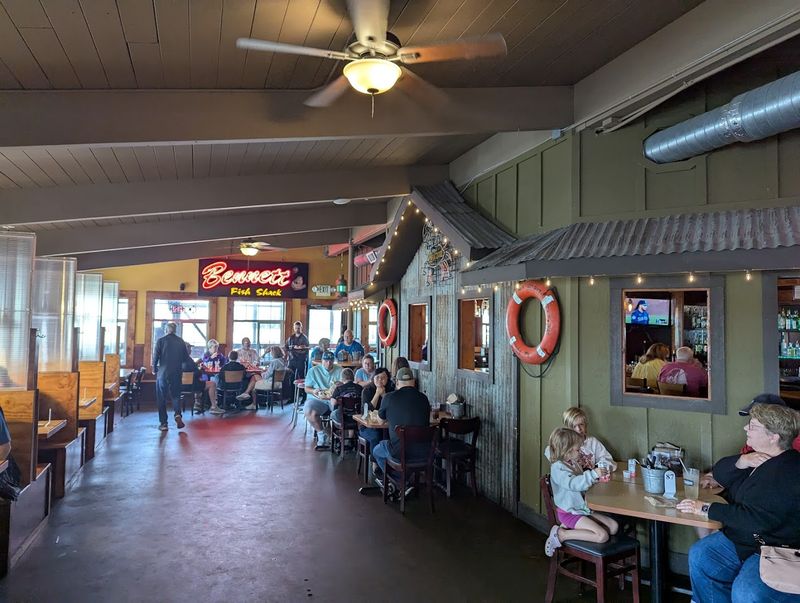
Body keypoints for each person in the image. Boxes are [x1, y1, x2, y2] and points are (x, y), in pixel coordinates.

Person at [676, 403, 800, 602]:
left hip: (776, 549)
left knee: (746, 592)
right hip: (747, 541)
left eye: (753, 426)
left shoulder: (789, 471)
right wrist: (743, 461)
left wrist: (706, 508)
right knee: (702, 555)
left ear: (773, 436)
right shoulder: (760, 459)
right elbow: (720, 473)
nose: (745, 428)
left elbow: (756, 519)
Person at [544, 427, 619, 557]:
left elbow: (581, 484)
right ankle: (562, 534)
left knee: (613, 526)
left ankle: (569, 528)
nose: (580, 452)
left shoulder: (573, 463)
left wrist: (595, 480)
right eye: (577, 450)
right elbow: (573, 484)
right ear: (567, 451)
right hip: (569, 512)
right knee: (602, 536)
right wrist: (593, 474)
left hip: (581, 508)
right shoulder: (558, 469)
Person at [700, 393, 800, 488]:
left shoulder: (790, 450)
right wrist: (714, 475)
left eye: (755, 424)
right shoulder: (756, 444)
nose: (746, 428)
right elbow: (742, 467)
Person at [371, 367, 430, 475]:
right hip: (424, 451)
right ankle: (404, 481)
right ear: (413, 382)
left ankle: (396, 480)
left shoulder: (388, 397)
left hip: (399, 452)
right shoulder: (424, 398)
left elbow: (380, 421)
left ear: (397, 382)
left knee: (376, 451)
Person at [544, 407, 617, 471]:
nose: (578, 429)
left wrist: (597, 468)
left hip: (591, 480)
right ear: (567, 428)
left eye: (581, 424)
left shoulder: (592, 442)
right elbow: (549, 451)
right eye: (574, 426)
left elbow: (608, 460)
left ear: (586, 425)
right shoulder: (563, 443)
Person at [152, 322, 191, 431]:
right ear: (175, 331)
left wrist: (154, 369)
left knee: (161, 398)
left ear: (166, 330)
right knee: (176, 395)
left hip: (163, 373)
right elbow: (185, 359)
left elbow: (155, 357)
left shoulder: (160, 341)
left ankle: (164, 423)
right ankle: (177, 414)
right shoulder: (180, 341)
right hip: (176, 373)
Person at [304, 351, 343, 449]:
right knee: (308, 410)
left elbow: (346, 385)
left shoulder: (340, 370)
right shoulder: (313, 371)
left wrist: (340, 386)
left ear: (333, 361)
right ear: (322, 360)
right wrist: (314, 391)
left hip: (334, 399)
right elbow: (306, 388)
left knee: (343, 410)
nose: (328, 363)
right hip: (318, 399)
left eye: (330, 361)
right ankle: (321, 434)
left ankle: (340, 437)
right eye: (326, 360)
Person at [360, 367, 394, 450]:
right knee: (376, 436)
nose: (380, 380)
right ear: (373, 378)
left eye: (383, 378)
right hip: (367, 427)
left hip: (386, 426)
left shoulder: (391, 390)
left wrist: (384, 395)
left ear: (388, 379)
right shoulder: (367, 390)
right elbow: (365, 413)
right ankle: (374, 462)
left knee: (391, 436)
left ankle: (387, 461)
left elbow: (393, 409)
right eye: (377, 377)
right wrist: (377, 394)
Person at [182, 343, 221, 415]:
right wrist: (201, 370)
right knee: (212, 384)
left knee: (201, 380)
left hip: (181, 386)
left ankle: (197, 403)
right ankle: (213, 406)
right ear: (186, 350)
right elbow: (197, 373)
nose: (191, 350)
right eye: (190, 349)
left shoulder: (178, 359)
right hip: (192, 386)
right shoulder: (189, 360)